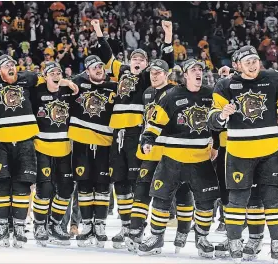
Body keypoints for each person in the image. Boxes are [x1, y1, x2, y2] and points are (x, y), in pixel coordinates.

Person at [90, 19, 175, 248]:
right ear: (129, 61)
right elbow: (107, 55)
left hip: (137, 132)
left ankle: (138, 226)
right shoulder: (122, 71)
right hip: (116, 132)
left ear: (147, 64)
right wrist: (99, 30)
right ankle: (125, 224)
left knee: (135, 178)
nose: (137, 61)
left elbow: (166, 63)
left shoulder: (149, 75)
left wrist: (168, 36)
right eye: (134, 58)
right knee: (119, 180)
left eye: (142, 59)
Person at [0, 55, 75, 248]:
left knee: (23, 185)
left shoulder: (28, 80)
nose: (11, 67)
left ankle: (21, 227)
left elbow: (50, 77)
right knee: (1, 186)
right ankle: (2, 227)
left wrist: (63, 80)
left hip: (26, 141)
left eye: (13, 64)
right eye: (6, 66)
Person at [208, 46, 278, 262]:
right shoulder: (225, 85)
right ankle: (235, 242)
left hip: (270, 151)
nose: (252, 64)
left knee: (272, 199)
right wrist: (222, 115)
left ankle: (277, 243)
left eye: (255, 60)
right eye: (247, 61)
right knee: (237, 200)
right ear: (236, 65)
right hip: (239, 153)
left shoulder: (274, 78)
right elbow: (213, 120)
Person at [138, 59, 219, 258]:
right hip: (173, 158)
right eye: (194, 69)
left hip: (201, 159)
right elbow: (155, 121)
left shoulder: (211, 95)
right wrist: (148, 139)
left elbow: (218, 124)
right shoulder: (171, 95)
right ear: (185, 74)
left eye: (200, 69)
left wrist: (217, 145)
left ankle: (202, 238)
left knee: (206, 201)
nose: (198, 72)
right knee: (161, 198)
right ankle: (156, 237)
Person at [127, 59, 194, 254]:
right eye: (152, 73)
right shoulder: (147, 92)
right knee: (142, 188)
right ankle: (136, 229)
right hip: (151, 150)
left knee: (179, 191)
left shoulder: (176, 91)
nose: (154, 76)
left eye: (158, 72)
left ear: (166, 74)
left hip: (172, 151)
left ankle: (182, 231)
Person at [68, 55, 117, 248]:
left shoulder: (113, 88)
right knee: (84, 184)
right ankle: (86, 224)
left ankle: (100, 225)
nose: (99, 69)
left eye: (100, 66)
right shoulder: (77, 84)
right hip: (81, 142)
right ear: (86, 71)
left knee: (103, 184)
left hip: (105, 143)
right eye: (94, 67)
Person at [30, 61, 75, 246]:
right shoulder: (36, 90)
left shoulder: (68, 91)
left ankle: (55, 224)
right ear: (45, 75)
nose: (56, 74)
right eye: (52, 72)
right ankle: (39, 225)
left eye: (59, 72)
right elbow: (26, 78)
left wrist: (66, 82)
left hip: (64, 148)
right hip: (42, 147)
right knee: (45, 189)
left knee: (66, 189)